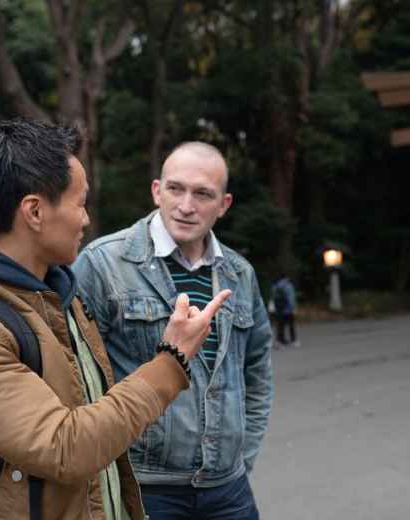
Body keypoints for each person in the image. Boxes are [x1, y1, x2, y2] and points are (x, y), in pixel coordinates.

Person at [0, 120, 230, 520]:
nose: (85, 220)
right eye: (80, 203)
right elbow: (67, 448)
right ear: (34, 211)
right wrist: (172, 360)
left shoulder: (57, 296)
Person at [73, 141, 273, 520]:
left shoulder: (239, 273)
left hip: (228, 489)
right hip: (144, 486)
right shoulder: (102, 265)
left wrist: (241, 456)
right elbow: (74, 374)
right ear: (156, 190)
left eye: (202, 194)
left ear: (224, 204)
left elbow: (257, 372)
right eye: (175, 189)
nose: (186, 205)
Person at [271, 274, 299, 348]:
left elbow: (273, 298)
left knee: (280, 326)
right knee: (291, 326)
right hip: (288, 310)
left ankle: (280, 341)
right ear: (286, 278)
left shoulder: (275, 286)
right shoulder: (288, 286)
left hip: (279, 309)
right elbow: (291, 298)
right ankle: (294, 340)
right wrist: (293, 308)